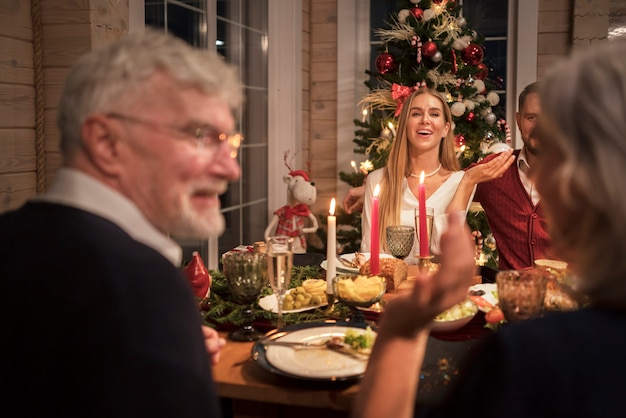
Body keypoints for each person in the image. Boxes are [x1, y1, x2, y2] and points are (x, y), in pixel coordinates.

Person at [353, 40, 626, 418]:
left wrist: (401, 329)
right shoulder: (494, 173)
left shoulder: (522, 358)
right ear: (517, 121)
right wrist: (369, 189)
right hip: (509, 314)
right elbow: (444, 187)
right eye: (533, 117)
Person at [0, 30, 242, 416]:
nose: (231, 168)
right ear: (107, 143)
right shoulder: (142, 291)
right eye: (201, 136)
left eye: (229, 142)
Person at [360, 88, 513, 256]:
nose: (425, 120)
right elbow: (368, 251)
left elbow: (443, 247)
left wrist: (469, 180)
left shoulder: (461, 182)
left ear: (446, 129)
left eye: (434, 114)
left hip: (438, 282)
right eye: (416, 114)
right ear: (405, 124)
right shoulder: (377, 180)